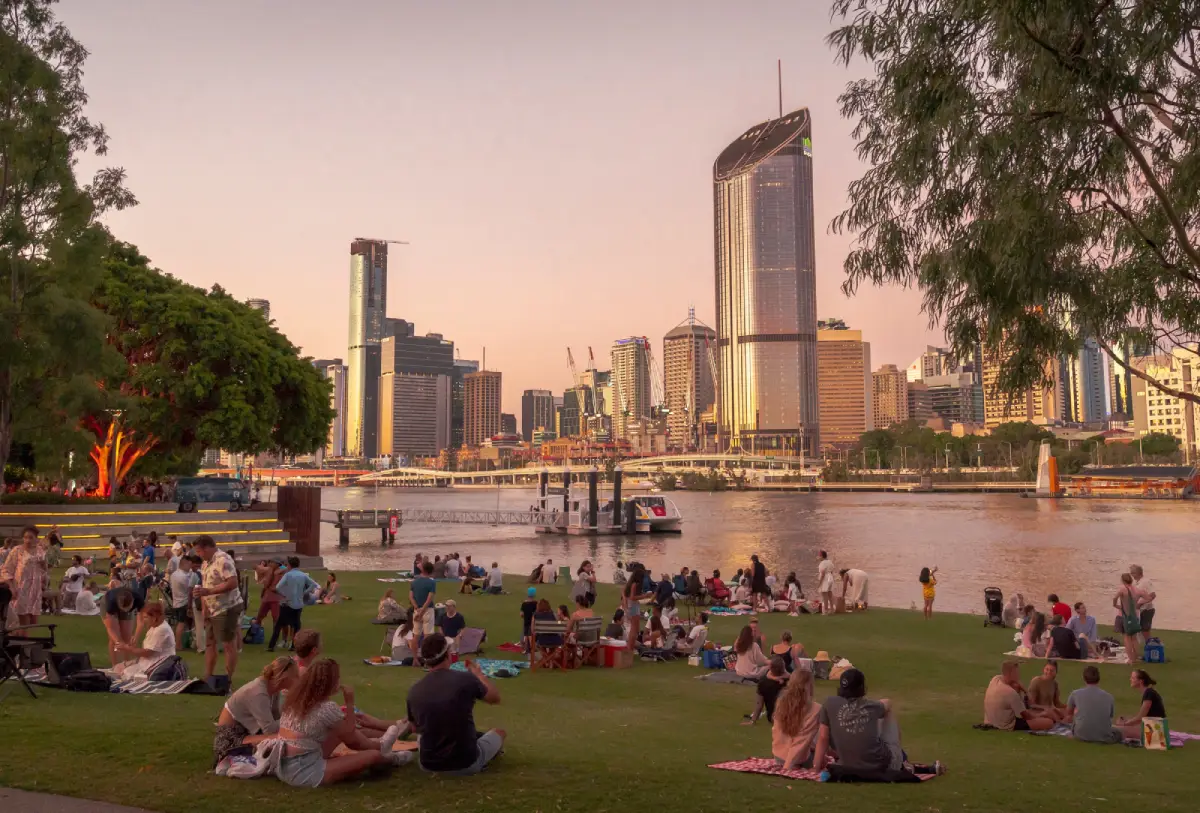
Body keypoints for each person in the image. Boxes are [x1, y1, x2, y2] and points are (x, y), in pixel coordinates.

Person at [273, 658, 409, 786]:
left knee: (338, 731)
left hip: (284, 764)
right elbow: (351, 738)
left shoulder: (296, 699)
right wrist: (349, 703)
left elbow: (345, 733)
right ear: (330, 683)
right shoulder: (325, 708)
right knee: (372, 756)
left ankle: (381, 745)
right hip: (303, 772)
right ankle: (389, 756)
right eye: (337, 678)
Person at [406, 633, 505, 775]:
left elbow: (415, 728)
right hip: (465, 763)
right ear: (447, 653)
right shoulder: (465, 679)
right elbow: (494, 698)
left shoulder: (414, 690)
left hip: (428, 764)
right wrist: (478, 674)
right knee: (499, 733)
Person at [812, 669, 908, 775]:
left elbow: (823, 737)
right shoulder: (871, 706)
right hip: (882, 765)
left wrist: (816, 768)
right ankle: (900, 760)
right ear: (861, 687)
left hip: (847, 765)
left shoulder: (829, 703)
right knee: (887, 713)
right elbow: (888, 703)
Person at [213, 656, 300, 767]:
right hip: (230, 742)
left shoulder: (273, 689)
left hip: (245, 734)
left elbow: (276, 719)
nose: (298, 681)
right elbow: (271, 730)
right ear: (285, 677)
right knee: (282, 739)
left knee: (289, 736)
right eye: (296, 677)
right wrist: (293, 718)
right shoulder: (258, 693)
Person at [191, 535, 244, 686]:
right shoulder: (205, 563)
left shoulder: (223, 559)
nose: (199, 555)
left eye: (199, 551)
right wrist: (205, 606)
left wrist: (209, 592)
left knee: (228, 643)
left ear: (207, 548)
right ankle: (208, 677)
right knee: (210, 643)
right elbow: (204, 585)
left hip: (226, 607)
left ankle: (228, 678)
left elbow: (233, 582)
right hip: (212, 608)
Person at [772, 660, 820, 769]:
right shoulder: (815, 709)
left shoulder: (781, 702)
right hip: (798, 760)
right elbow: (801, 741)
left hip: (779, 756)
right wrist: (788, 766)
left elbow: (777, 732)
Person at [983, 660, 1056, 731]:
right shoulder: (1010, 693)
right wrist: (1042, 714)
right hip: (1006, 725)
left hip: (991, 720)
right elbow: (1027, 716)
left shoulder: (995, 679)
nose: (1019, 674)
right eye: (1017, 672)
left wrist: (1025, 691)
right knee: (1048, 722)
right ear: (1011, 673)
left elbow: (1015, 682)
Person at [113, 600, 176, 677]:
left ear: (154, 617)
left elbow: (147, 653)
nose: (144, 620)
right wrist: (131, 646)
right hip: (149, 661)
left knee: (125, 673)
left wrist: (127, 648)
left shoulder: (162, 629)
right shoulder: (155, 627)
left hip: (159, 664)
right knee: (117, 668)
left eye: (146, 617)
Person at [270, 557, 319, 652]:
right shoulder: (303, 575)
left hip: (287, 603)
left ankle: (271, 645)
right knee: (296, 625)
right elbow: (313, 584)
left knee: (279, 625)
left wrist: (285, 594)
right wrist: (304, 592)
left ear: (290, 565)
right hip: (299, 603)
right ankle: (293, 645)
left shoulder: (288, 575)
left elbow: (278, 587)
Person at [1, 525, 47, 626]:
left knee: (33, 623)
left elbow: (43, 571)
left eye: (31, 537)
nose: (28, 540)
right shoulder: (17, 550)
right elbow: (6, 570)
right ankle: (18, 640)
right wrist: (11, 587)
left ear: (36, 538)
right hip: (20, 590)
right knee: (20, 621)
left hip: (35, 590)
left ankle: (24, 639)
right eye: (25, 537)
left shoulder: (40, 551)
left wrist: (44, 566)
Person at [1065, 665, 1122, 744]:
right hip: (1103, 736)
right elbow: (1110, 716)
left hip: (1080, 734)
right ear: (1098, 678)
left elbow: (1068, 714)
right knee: (1119, 732)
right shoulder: (1109, 697)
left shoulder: (1075, 694)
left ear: (1084, 678)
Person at [1117, 669, 1166, 741]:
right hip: (1153, 726)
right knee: (1125, 721)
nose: (1130, 679)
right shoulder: (1149, 692)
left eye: (1133, 678)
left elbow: (1140, 718)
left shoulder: (1149, 693)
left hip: (1155, 730)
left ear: (1140, 681)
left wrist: (1125, 724)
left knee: (1118, 729)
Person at [744, 657, 789, 725]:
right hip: (790, 717)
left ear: (770, 668)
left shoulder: (763, 682)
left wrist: (752, 721)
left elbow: (759, 705)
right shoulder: (792, 681)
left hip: (773, 718)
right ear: (783, 668)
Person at [1113, 572, 1143, 664]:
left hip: (1125, 616)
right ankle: (1135, 657)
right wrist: (1139, 604)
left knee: (1127, 637)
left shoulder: (1123, 589)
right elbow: (1148, 597)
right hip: (1134, 616)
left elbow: (1115, 598)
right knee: (1134, 638)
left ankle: (1130, 658)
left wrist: (1116, 605)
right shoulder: (1137, 590)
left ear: (1122, 580)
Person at [167, 554, 195, 649]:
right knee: (181, 624)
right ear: (185, 564)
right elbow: (190, 589)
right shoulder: (184, 577)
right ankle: (178, 644)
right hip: (184, 602)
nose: (190, 567)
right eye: (190, 564)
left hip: (176, 602)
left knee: (179, 623)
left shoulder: (174, 574)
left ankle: (178, 642)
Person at [623, 565, 653, 646]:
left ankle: (631, 646)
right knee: (633, 629)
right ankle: (630, 646)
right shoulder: (634, 584)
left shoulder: (632, 584)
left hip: (633, 606)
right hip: (633, 607)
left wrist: (643, 595)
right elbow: (632, 597)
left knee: (635, 629)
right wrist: (645, 596)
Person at [409, 561, 437, 646]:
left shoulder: (414, 582)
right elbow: (429, 600)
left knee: (416, 637)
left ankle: (415, 658)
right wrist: (421, 612)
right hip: (427, 611)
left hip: (417, 611)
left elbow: (411, 597)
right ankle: (426, 657)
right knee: (427, 637)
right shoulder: (432, 582)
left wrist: (417, 609)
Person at [1130, 564, 1156, 645]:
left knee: (1145, 632)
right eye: (1131, 573)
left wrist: (1140, 603)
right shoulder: (1137, 583)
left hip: (1147, 610)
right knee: (1141, 632)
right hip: (1140, 611)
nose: (1132, 575)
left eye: (1133, 573)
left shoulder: (1145, 582)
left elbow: (1152, 595)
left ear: (1139, 573)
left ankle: (1150, 649)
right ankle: (1147, 649)